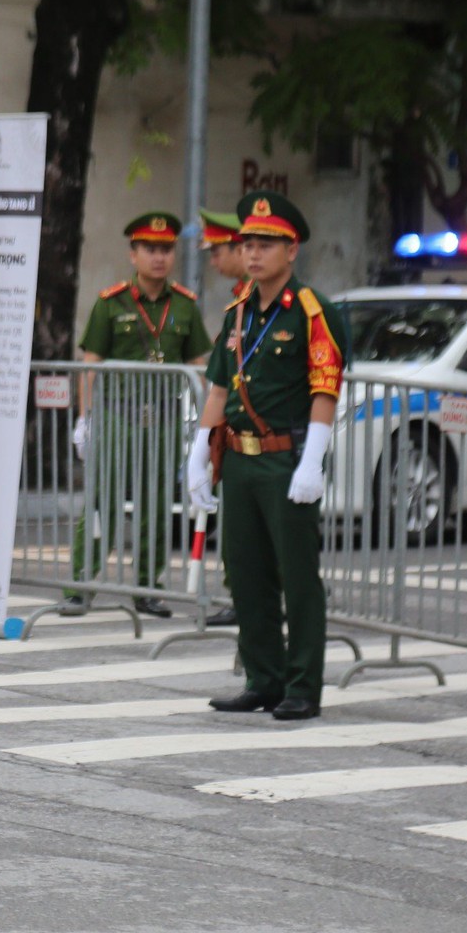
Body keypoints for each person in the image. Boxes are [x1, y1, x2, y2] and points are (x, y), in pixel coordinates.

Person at [186, 190, 351, 721]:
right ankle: (263, 677)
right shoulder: (238, 313)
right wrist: (198, 451)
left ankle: (303, 685)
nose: (254, 253)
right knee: (246, 571)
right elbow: (218, 389)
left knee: (297, 575)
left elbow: (325, 386)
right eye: (248, 243)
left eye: (267, 244)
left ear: (292, 250)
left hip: (286, 457)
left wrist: (314, 459)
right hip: (239, 457)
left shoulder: (310, 310)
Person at [62, 212, 213, 619]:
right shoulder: (111, 303)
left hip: (162, 419)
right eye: (150, 249)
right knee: (102, 501)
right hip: (116, 416)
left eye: (166, 250)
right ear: (133, 254)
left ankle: (149, 587)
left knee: (156, 504)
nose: (159, 258)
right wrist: (84, 419)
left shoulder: (184, 305)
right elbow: (90, 364)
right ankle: (80, 584)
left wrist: (206, 425)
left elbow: (200, 366)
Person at [196, 206, 246, 628]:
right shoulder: (239, 303)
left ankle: (251, 596)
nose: (212, 260)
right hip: (234, 434)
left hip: (264, 438)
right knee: (235, 525)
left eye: (217, 251)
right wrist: (202, 446)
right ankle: (241, 595)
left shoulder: (258, 303)